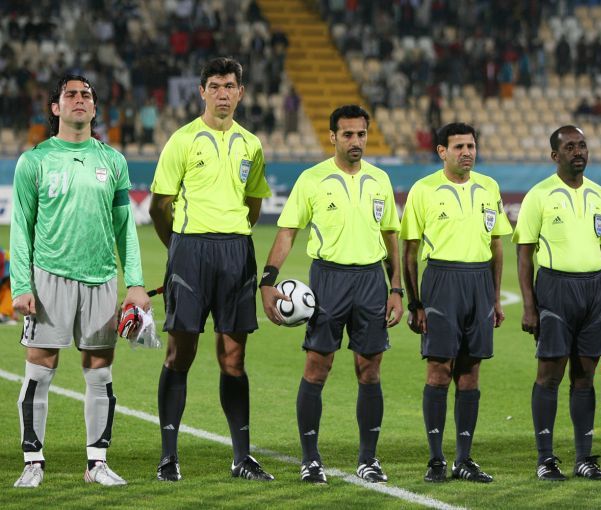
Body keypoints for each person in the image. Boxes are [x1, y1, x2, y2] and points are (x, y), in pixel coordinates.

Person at [10, 74, 151, 488]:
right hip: (48, 278)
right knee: (40, 369)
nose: (79, 99)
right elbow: (21, 228)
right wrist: (21, 286)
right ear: (55, 108)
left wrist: (135, 283)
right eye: (70, 94)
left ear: (94, 107)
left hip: (101, 279)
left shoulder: (113, 161)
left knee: (100, 371)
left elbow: (125, 228)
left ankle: (97, 464)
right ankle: (33, 462)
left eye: (86, 94)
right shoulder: (35, 161)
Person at [260, 104, 403, 484]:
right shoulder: (312, 179)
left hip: (371, 280)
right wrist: (268, 280)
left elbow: (391, 235)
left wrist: (396, 288)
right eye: (348, 134)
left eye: (361, 134)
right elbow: (288, 231)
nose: (356, 141)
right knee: (317, 367)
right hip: (328, 280)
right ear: (333, 137)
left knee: (369, 369)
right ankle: (310, 460)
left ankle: (368, 459)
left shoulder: (380, 180)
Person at [149, 57, 273, 482]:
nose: (223, 94)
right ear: (202, 91)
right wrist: (178, 248)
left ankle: (242, 458)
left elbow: (254, 201)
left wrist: (233, 234)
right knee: (180, 353)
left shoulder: (251, 145)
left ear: (240, 92)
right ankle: (169, 457)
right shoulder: (182, 140)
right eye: (215, 86)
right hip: (190, 251)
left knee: (234, 358)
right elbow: (160, 206)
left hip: (236, 252)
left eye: (230, 86)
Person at [401, 122, 512, 484]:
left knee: (470, 372)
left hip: (479, 282)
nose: (467, 152)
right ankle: (436, 459)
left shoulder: (489, 187)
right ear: (442, 152)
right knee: (439, 370)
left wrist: (495, 297)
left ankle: (464, 459)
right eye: (459, 146)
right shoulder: (424, 190)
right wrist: (415, 303)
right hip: (441, 282)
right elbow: (410, 250)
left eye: (471, 146)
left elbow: (497, 246)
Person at [513, 125, 601, 482]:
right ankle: (545, 459)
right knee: (549, 376)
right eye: (570, 147)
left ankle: (584, 458)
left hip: (594, 293)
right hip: (555, 290)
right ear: (554, 155)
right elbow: (524, 253)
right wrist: (529, 306)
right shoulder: (539, 195)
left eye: (583, 146)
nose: (579, 152)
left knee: (585, 377)